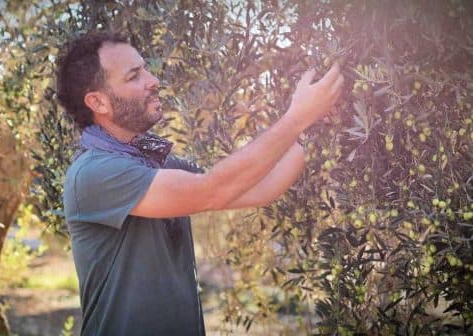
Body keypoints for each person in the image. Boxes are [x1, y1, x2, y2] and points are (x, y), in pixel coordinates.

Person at [56, 31, 344, 336]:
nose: (153, 80)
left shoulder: (157, 162)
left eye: (145, 69)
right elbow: (213, 190)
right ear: (98, 101)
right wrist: (296, 118)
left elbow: (260, 187)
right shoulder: (94, 174)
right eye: (134, 76)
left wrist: (310, 125)